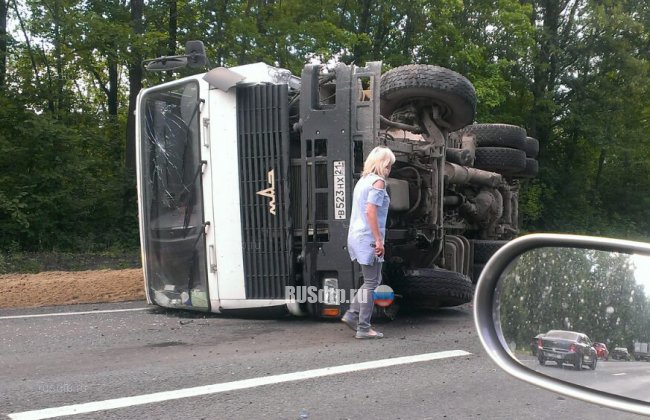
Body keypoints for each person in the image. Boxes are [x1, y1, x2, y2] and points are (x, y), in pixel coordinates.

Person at [341, 146, 395, 339]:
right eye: (388, 165)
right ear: (380, 164)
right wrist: (378, 240)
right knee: (372, 282)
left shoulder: (363, 181)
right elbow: (371, 211)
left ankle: (353, 314)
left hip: (356, 236)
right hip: (369, 237)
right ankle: (363, 327)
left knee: (371, 280)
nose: (389, 170)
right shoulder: (378, 183)